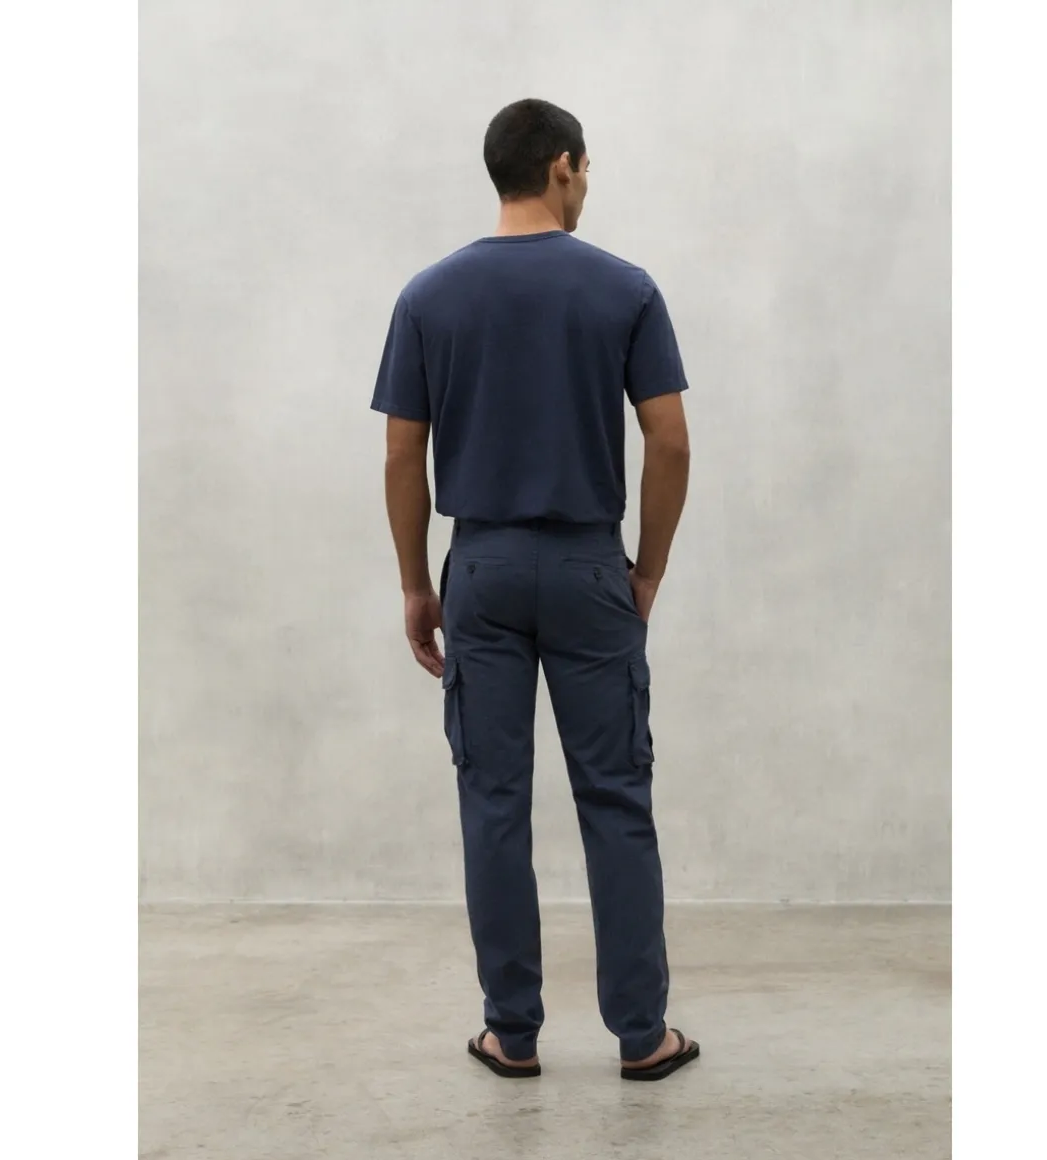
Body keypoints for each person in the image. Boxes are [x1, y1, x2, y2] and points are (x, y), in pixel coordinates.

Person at [370, 98, 696, 1081]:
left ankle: (511, 1032)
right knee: (616, 798)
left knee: (493, 800)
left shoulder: (428, 296)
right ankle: (641, 1035)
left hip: (481, 568)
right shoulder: (625, 289)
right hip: (591, 566)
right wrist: (646, 568)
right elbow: (670, 441)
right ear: (560, 165)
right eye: (585, 168)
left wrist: (415, 584)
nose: (587, 184)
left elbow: (402, 455)